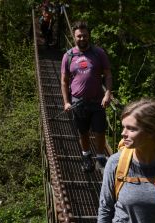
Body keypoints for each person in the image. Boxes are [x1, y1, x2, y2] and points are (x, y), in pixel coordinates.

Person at [61, 21, 113, 172]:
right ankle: (86, 157)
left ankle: (101, 158)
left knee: (100, 130)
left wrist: (108, 93)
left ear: (88, 36)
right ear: (73, 37)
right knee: (83, 132)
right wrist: (66, 102)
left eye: (84, 36)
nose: (82, 39)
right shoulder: (68, 56)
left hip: (98, 101)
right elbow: (64, 81)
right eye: (79, 36)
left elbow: (108, 75)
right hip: (78, 102)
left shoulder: (98, 53)